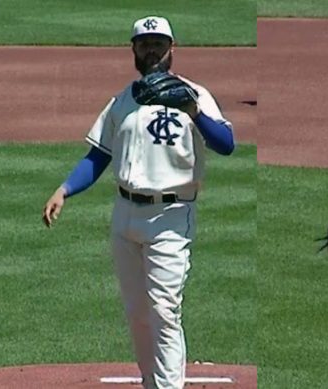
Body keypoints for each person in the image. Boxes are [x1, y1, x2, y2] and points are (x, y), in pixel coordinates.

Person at [42, 16, 234, 389]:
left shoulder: (195, 94)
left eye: (159, 43)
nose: (152, 50)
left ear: (172, 49)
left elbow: (226, 143)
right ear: (133, 50)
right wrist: (64, 189)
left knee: (164, 309)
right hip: (125, 213)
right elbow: (99, 155)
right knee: (137, 314)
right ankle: (151, 381)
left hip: (171, 216)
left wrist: (193, 111)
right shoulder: (122, 100)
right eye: (145, 43)